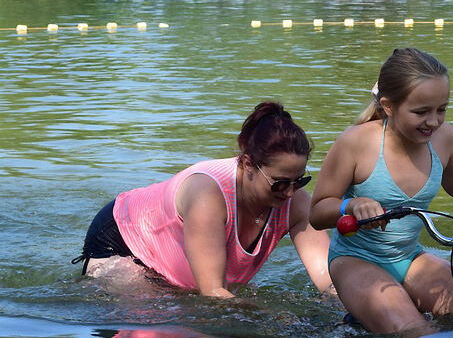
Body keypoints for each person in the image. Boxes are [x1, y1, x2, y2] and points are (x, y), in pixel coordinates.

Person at [309, 48, 453, 334]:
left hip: (410, 258)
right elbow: (317, 212)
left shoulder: (443, 137)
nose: (434, 122)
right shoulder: (356, 143)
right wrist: (352, 205)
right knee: (414, 331)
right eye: (421, 112)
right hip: (355, 260)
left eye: (442, 109)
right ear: (389, 106)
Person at [72, 102, 334, 298]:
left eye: (299, 181)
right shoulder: (208, 196)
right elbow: (213, 295)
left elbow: (329, 281)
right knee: (153, 311)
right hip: (122, 241)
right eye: (279, 184)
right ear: (248, 165)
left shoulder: (295, 203)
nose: (290, 193)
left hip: (165, 251)